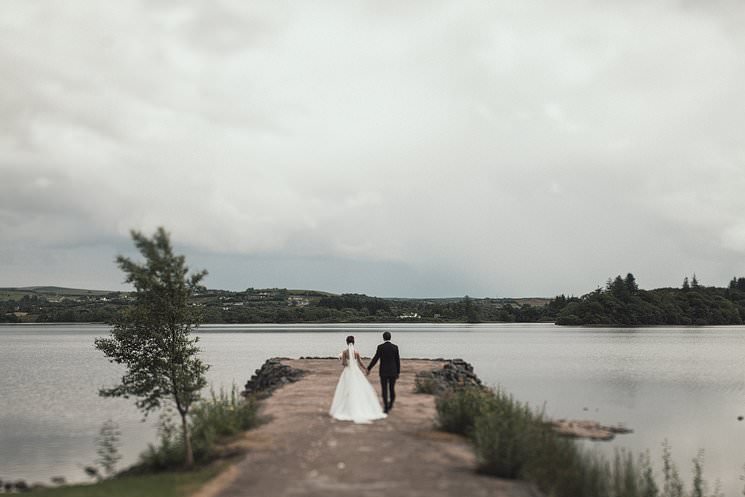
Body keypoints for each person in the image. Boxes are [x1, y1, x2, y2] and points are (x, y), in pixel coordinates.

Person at [329, 336, 387, 423]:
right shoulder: (356, 353)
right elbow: (360, 363)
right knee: (358, 389)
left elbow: (344, 364)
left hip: (347, 372)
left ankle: (347, 408)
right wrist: (366, 369)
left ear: (346, 342)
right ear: (354, 342)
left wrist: (341, 358)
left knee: (346, 390)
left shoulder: (344, 352)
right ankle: (359, 407)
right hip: (356, 372)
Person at [367, 331, 400, 413]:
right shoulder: (395, 347)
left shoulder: (380, 347)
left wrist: (369, 368)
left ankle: (385, 407)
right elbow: (397, 361)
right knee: (392, 389)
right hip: (393, 371)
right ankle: (391, 404)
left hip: (383, 371)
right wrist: (398, 372)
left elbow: (375, 359)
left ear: (383, 338)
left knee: (384, 389)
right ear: (390, 337)